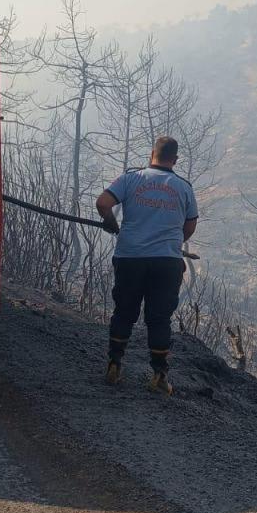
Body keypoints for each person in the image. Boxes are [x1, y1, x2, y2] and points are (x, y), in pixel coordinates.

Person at [95, 136, 198, 395]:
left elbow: (102, 202)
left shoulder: (131, 179)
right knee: (159, 318)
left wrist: (110, 221)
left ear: (152, 154)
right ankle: (159, 376)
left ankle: (115, 364)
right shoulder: (184, 187)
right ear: (174, 160)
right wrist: (170, 243)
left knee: (124, 312)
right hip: (166, 263)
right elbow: (189, 227)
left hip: (130, 258)